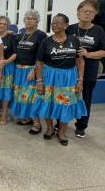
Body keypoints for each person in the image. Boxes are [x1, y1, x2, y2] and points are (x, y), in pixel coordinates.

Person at [33, 14, 87, 146]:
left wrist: (80, 80)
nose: (54, 25)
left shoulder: (74, 40)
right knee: (48, 103)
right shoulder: (46, 41)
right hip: (50, 77)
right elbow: (39, 63)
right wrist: (39, 82)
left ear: (66, 25)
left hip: (69, 78)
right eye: (53, 23)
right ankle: (50, 128)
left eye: (58, 23)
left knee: (65, 104)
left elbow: (80, 62)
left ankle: (61, 132)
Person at [66, 0, 105, 138]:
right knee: (65, 96)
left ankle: (81, 126)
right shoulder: (70, 29)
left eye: (91, 12)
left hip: (89, 70)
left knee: (85, 98)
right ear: (78, 13)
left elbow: (103, 51)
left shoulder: (99, 31)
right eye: (84, 11)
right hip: (69, 70)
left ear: (95, 15)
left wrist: (89, 54)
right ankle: (62, 121)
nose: (87, 14)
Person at [11, 10, 47, 134]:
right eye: (27, 18)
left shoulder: (41, 35)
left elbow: (41, 56)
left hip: (31, 70)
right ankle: (27, 118)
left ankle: (37, 123)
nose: (29, 20)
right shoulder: (20, 35)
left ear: (37, 21)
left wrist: (34, 70)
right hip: (18, 70)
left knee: (32, 97)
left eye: (32, 19)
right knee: (21, 96)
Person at [0, 16, 17, 125]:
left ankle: (4, 114)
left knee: (5, 92)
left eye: (4, 24)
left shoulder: (11, 37)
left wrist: (5, 62)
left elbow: (15, 54)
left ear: (7, 26)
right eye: (0, 23)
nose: (2, 25)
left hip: (8, 67)